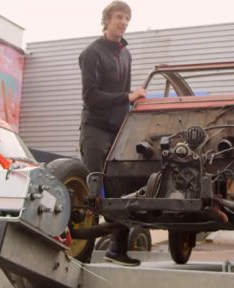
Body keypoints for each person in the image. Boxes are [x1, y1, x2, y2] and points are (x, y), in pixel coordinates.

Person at [78, 0, 146, 266]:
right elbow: (90, 96)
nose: (124, 22)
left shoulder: (126, 54)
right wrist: (127, 96)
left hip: (118, 129)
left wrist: (131, 103)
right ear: (106, 20)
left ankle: (117, 250)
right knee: (93, 189)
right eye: (119, 17)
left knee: (121, 187)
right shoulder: (92, 53)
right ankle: (79, 249)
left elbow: (125, 100)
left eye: (128, 18)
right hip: (95, 128)